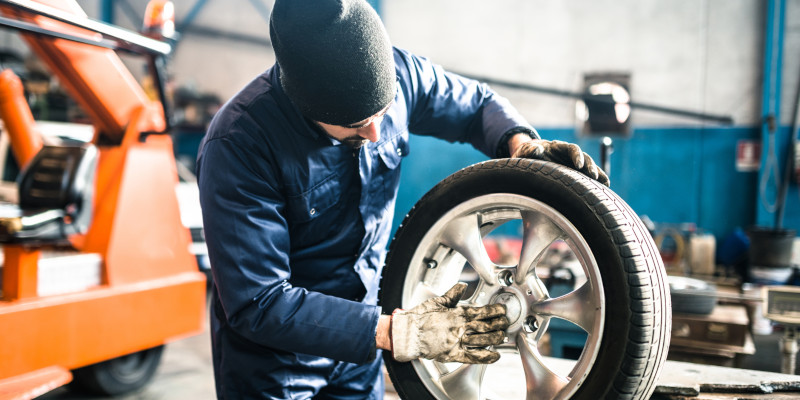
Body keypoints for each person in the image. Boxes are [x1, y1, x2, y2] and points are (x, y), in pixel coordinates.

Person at [196, 0, 609, 398]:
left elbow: (476, 106)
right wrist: (399, 332)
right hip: (276, 362)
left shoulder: (398, 72)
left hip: (364, 345)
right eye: (356, 125)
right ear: (304, 106)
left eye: (384, 110)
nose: (376, 133)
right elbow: (259, 302)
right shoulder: (238, 144)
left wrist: (520, 145)